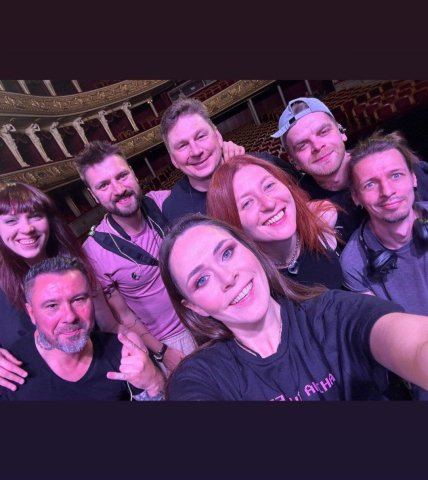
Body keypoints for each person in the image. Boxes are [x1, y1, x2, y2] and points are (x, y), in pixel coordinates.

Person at [158, 214, 428, 401]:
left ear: (251, 249)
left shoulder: (332, 313)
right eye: (201, 280)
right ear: (195, 307)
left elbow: (413, 343)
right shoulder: (201, 376)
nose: (227, 278)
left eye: (227, 253)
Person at [74, 140, 197, 375]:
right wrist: (162, 352)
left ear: (133, 173)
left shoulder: (164, 202)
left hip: (207, 313)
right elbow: (123, 316)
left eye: (122, 176)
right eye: (104, 185)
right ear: (93, 195)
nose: (119, 189)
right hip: (172, 342)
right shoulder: (94, 252)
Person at [0, 181, 116, 393]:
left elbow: (110, 327)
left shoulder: (76, 269)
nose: (27, 228)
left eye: (35, 216)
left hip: (97, 383)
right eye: (11, 221)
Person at [0, 256, 165, 400]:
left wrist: (154, 384)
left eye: (78, 300)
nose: (70, 316)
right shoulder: (8, 372)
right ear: (32, 313)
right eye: (52, 305)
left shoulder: (123, 353)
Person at [271, 97, 428, 242]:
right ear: (294, 162)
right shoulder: (300, 207)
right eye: (302, 145)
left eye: (323, 132)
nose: (317, 146)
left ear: (341, 132)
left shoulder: (390, 163)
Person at [207, 154, 343, 289]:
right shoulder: (253, 287)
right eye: (247, 203)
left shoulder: (323, 222)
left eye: (269, 186)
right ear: (233, 224)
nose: (269, 203)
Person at [160, 97, 296, 223]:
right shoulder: (173, 210)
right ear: (173, 159)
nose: (196, 151)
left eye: (201, 136)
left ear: (218, 137)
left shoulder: (264, 165)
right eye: (183, 145)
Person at [340, 131, 428, 314]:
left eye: (396, 175)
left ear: (413, 178)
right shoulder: (353, 262)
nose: (387, 191)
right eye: (370, 184)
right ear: (356, 197)